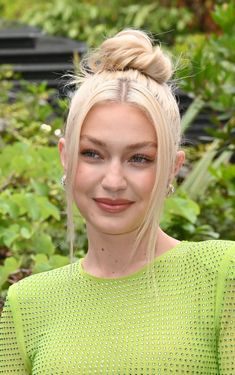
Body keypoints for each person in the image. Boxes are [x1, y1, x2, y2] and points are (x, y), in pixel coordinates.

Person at [0, 29, 234, 375]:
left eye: (139, 158)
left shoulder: (222, 274)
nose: (112, 181)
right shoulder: (28, 304)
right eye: (93, 154)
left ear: (173, 168)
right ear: (66, 157)